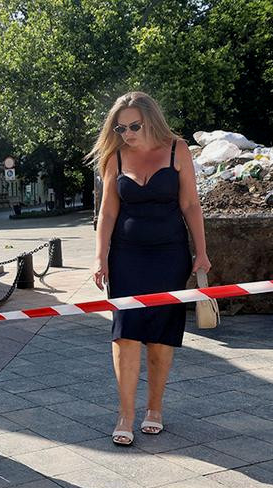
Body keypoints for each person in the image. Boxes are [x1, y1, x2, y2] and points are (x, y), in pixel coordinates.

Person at [87, 91, 211, 446]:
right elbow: (107, 211)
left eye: (133, 126)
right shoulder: (115, 156)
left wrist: (201, 252)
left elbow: (190, 204)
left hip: (169, 255)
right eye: (120, 128)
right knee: (124, 334)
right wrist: (100, 257)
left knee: (160, 335)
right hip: (126, 257)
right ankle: (125, 414)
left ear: (151, 120)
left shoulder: (177, 150)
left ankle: (154, 408)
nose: (126, 134)